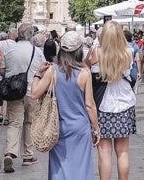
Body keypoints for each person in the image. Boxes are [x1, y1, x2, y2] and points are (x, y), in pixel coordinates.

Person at [31, 31, 100, 180]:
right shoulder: (84, 73)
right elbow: (89, 105)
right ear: (79, 51)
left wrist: (37, 74)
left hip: (59, 127)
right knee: (82, 167)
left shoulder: (52, 71)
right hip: (80, 128)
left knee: (59, 168)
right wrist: (96, 129)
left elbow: (34, 94)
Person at [86, 21, 136, 180]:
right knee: (123, 151)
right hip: (125, 102)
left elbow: (86, 70)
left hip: (102, 105)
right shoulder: (128, 52)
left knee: (104, 151)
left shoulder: (95, 52)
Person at [1, 23, 44, 173]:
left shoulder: (10, 49)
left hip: (14, 91)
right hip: (32, 91)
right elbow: (43, 70)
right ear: (31, 35)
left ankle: (9, 153)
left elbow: (2, 68)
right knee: (29, 123)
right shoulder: (36, 51)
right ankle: (28, 155)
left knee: (14, 123)